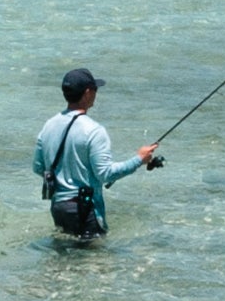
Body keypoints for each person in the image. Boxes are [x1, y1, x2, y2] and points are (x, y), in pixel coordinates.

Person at [34, 69, 162, 244]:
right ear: (88, 93)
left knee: (64, 259)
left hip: (58, 207)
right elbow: (105, 174)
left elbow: (38, 167)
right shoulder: (94, 131)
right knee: (94, 263)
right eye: (95, 89)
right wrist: (139, 159)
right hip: (85, 210)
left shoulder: (48, 125)